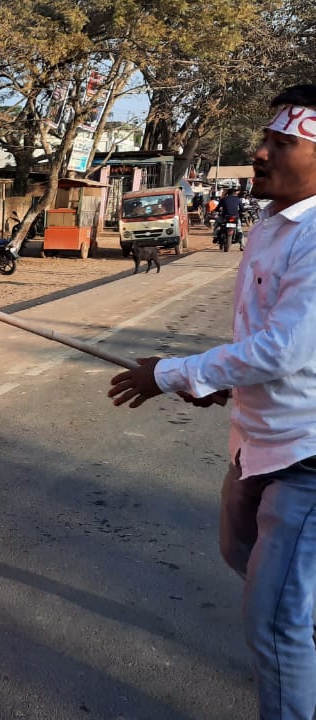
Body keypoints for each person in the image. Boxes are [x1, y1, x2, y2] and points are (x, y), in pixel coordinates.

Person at [108, 84, 316, 720]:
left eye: (281, 144)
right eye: (265, 139)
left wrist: (173, 373)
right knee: (239, 550)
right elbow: (269, 345)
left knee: (274, 622)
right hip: (258, 439)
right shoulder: (268, 226)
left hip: (307, 455)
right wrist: (219, 380)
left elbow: (284, 347)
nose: (259, 153)